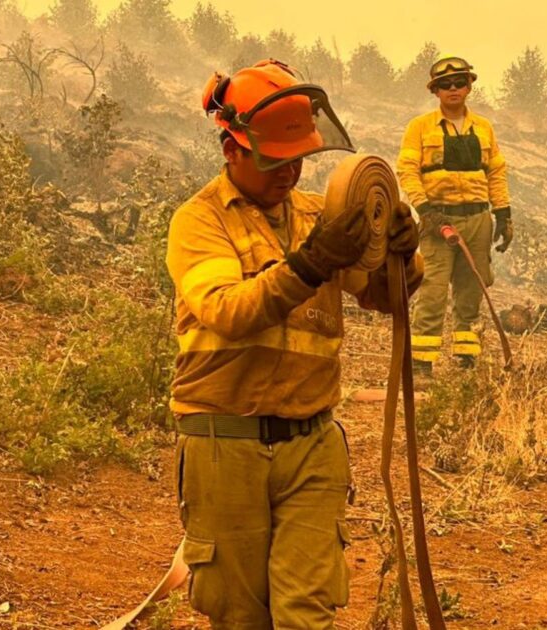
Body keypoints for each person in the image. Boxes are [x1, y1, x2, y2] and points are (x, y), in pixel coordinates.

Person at [164, 58, 423, 629]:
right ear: (230, 149)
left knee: (306, 614)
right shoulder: (199, 221)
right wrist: (309, 264)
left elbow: (382, 294)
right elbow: (227, 311)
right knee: (242, 616)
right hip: (224, 441)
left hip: (312, 443)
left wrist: (403, 250)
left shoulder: (319, 216)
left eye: (299, 160)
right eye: (274, 160)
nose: (290, 173)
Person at [396, 55, 512, 373]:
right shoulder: (419, 128)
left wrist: (503, 215)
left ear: (469, 86)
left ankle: (466, 360)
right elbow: (407, 171)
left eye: (460, 82)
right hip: (438, 221)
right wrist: (425, 210)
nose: (453, 88)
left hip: (478, 220)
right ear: (435, 91)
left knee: (471, 291)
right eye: (445, 84)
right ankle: (420, 365)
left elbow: (496, 173)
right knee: (433, 290)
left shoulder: (484, 128)